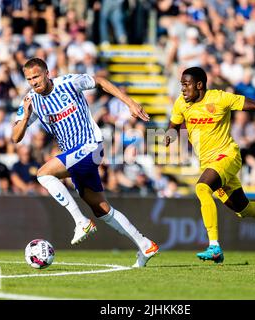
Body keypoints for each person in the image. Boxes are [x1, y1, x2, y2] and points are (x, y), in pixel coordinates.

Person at [12, 57, 158, 268]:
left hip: (90, 146)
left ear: (47, 73)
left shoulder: (68, 83)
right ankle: (145, 245)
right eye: (29, 79)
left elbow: (100, 81)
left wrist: (130, 103)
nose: (33, 82)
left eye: (36, 76)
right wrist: (25, 118)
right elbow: (15, 137)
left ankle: (80, 221)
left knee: (44, 174)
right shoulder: (30, 102)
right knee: (101, 208)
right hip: (75, 155)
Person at [164, 67, 255, 264]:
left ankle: (214, 246)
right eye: (182, 84)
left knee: (202, 188)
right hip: (208, 163)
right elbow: (173, 126)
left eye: (186, 84)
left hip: (227, 155)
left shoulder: (220, 98)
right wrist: (168, 137)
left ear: (199, 85)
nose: (183, 89)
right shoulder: (181, 103)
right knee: (244, 209)